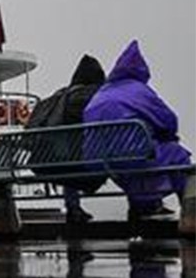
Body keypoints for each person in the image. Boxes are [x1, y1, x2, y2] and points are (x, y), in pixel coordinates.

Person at [83, 40, 193, 220]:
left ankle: (142, 206)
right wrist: (169, 137)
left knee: (131, 162)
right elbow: (168, 120)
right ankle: (189, 212)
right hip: (131, 155)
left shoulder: (101, 94)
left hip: (96, 158)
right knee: (179, 157)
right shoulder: (139, 90)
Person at [24, 54, 107, 223]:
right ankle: (144, 203)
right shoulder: (89, 96)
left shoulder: (56, 97)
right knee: (122, 158)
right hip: (74, 162)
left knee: (69, 157)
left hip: (45, 161)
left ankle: (73, 206)